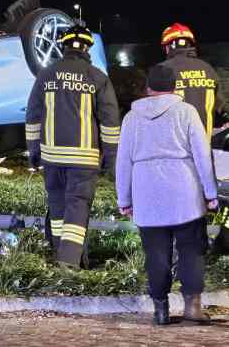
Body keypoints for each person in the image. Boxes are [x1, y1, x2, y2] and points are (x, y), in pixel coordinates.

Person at [116, 64, 218, 326]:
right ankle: (192, 308)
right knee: (191, 250)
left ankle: (160, 310)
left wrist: (124, 199)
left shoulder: (131, 118)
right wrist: (210, 193)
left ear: (148, 88)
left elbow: (123, 162)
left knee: (156, 254)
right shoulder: (186, 112)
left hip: (147, 193)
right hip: (185, 193)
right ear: (174, 87)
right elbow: (202, 156)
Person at [26, 23, 120, 269]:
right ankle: (69, 263)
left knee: (58, 209)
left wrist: (34, 152)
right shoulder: (97, 78)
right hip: (84, 159)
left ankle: (63, 255)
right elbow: (110, 123)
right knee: (77, 210)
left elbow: (33, 116)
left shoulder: (46, 75)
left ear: (63, 45)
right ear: (87, 47)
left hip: (52, 157)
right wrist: (110, 159)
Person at [159, 23, 227, 138]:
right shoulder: (208, 69)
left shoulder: (161, 70)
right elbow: (220, 105)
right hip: (204, 149)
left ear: (168, 46)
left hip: (173, 150)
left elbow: (150, 109)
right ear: (190, 44)